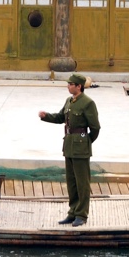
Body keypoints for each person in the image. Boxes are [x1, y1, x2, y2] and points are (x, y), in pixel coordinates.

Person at [39, 74, 101, 227]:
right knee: (71, 182)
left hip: (80, 147)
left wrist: (86, 142)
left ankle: (82, 214)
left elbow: (95, 127)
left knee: (82, 183)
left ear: (79, 86)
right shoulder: (69, 101)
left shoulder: (88, 103)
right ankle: (72, 212)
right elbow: (61, 117)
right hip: (69, 146)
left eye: (71, 84)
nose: (68, 86)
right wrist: (46, 116)